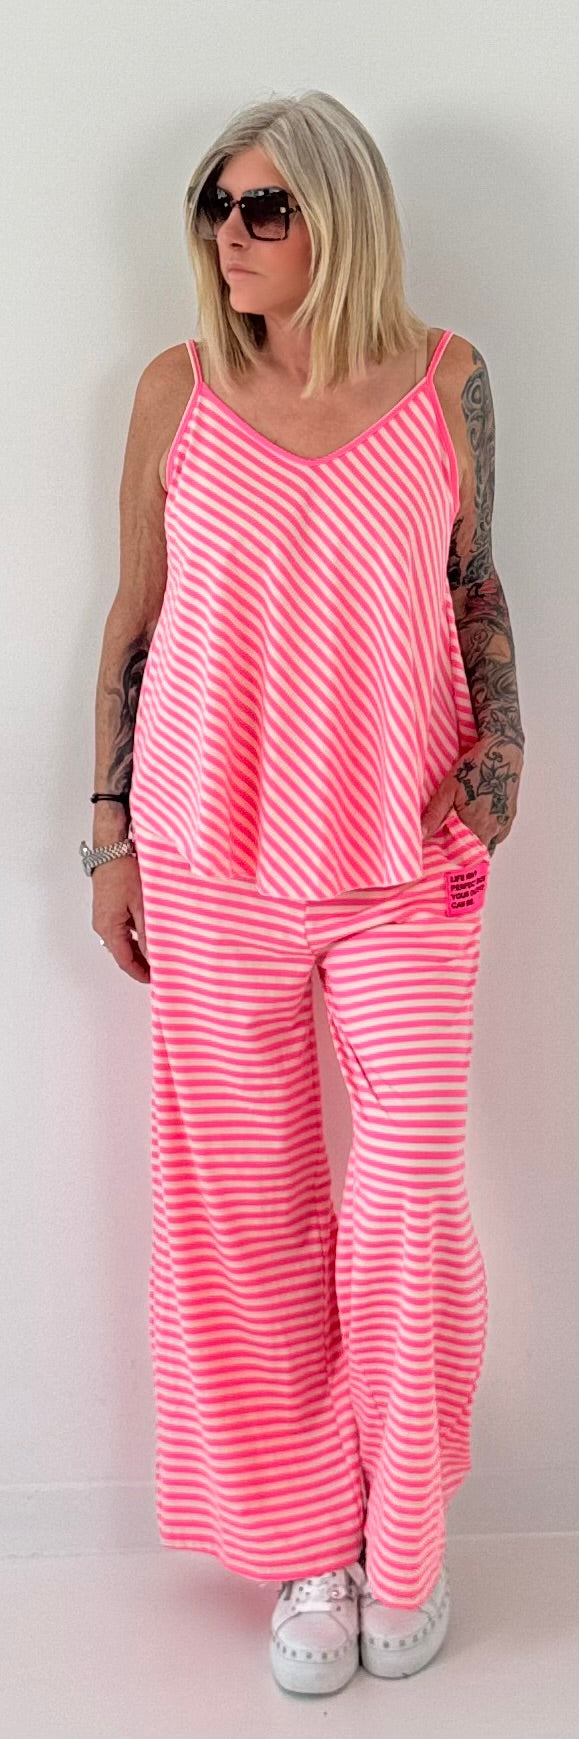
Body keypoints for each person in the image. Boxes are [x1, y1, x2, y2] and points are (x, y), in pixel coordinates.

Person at [82, 90, 525, 1696]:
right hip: (210, 859)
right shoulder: (177, 392)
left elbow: (473, 586)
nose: (230, 234)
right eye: (216, 203)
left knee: (406, 1197)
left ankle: (405, 1539)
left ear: (340, 216)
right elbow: (137, 618)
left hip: (405, 861)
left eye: (264, 205)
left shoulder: (449, 379)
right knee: (247, 1224)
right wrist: (109, 832)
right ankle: (307, 1551)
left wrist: (502, 761)